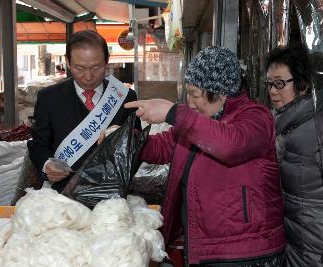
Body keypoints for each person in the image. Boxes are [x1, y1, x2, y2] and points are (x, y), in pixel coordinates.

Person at [125, 46, 286, 266]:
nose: (190, 103)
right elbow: (162, 146)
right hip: (204, 248)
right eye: (188, 94)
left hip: (246, 253)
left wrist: (173, 113)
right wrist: (126, 140)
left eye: (195, 95)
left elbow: (230, 144)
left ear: (220, 94)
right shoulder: (198, 123)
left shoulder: (257, 118)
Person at [27, 30, 141, 192]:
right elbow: (38, 144)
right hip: (63, 194)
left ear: (107, 61)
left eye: (96, 67)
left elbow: (137, 147)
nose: (88, 76)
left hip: (113, 194)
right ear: (67, 62)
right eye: (79, 68)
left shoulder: (124, 97)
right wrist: (47, 165)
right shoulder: (49, 98)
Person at [266, 46, 323, 266]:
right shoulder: (284, 125)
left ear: (302, 84)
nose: (272, 91)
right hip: (295, 244)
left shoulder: (317, 127)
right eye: (269, 83)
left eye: (280, 83)